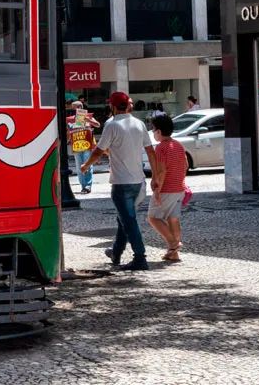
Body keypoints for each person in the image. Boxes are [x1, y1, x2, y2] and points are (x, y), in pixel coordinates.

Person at [80, 92, 159, 271]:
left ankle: (140, 257)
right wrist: (155, 176)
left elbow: (99, 151)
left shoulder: (112, 125)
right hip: (139, 183)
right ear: (128, 106)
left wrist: (85, 165)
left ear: (113, 107)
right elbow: (151, 152)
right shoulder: (139, 124)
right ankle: (116, 252)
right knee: (123, 219)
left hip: (121, 184)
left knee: (129, 221)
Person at [147, 115, 189, 263]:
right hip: (179, 188)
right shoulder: (178, 145)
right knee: (173, 218)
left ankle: (173, 244)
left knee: (153, 217)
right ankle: (174, 254)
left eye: (153, 129)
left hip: (167, 189)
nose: (152, 132)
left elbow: (162, 171)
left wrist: (158, 190)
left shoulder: (161, 147)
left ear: (158, 131)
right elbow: (185, 165)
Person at [66, 100, 100, 194]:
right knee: (78, 166)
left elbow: (98, 125)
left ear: (81, 108)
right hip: (77, 145)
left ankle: (88, 186)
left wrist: (87, 120)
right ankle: (83, 186)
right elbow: (69, 133)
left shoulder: (88, 117)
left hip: (87, 145)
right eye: (73, 109)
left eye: (76, 108)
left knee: (87, 164)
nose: (75, 110)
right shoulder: (70, 119)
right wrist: (68, 139)